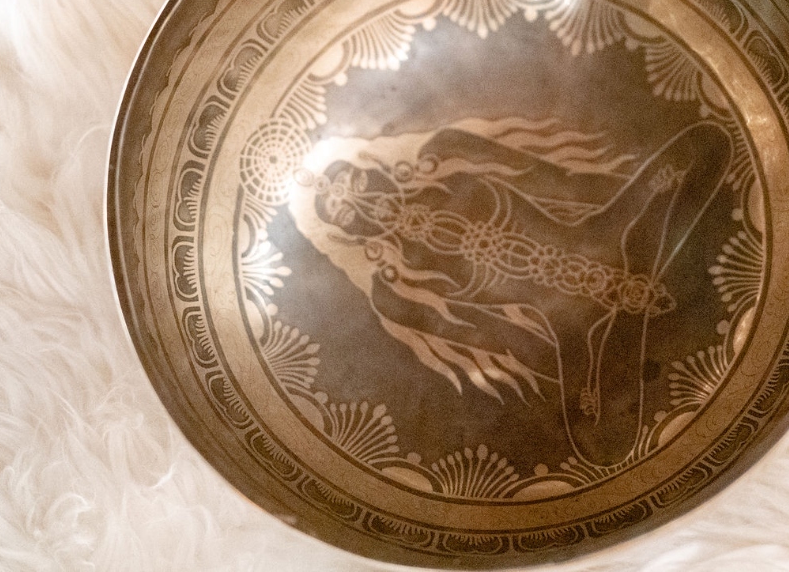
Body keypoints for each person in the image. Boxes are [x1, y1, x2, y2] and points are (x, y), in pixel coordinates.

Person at [285, 116, 732, 467]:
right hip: (573, 329)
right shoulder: (395, 289)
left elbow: (560, 182)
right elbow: (499, 337)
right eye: (345, 211)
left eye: (357, 183)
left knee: (705, 143)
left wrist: (635, 204)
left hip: (604, 232)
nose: (363, 202)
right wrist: (582, 360)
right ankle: (639, 290)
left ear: (375, 169)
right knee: (603, 446)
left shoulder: (450, 158)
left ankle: (646, 259)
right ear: (350, 234)